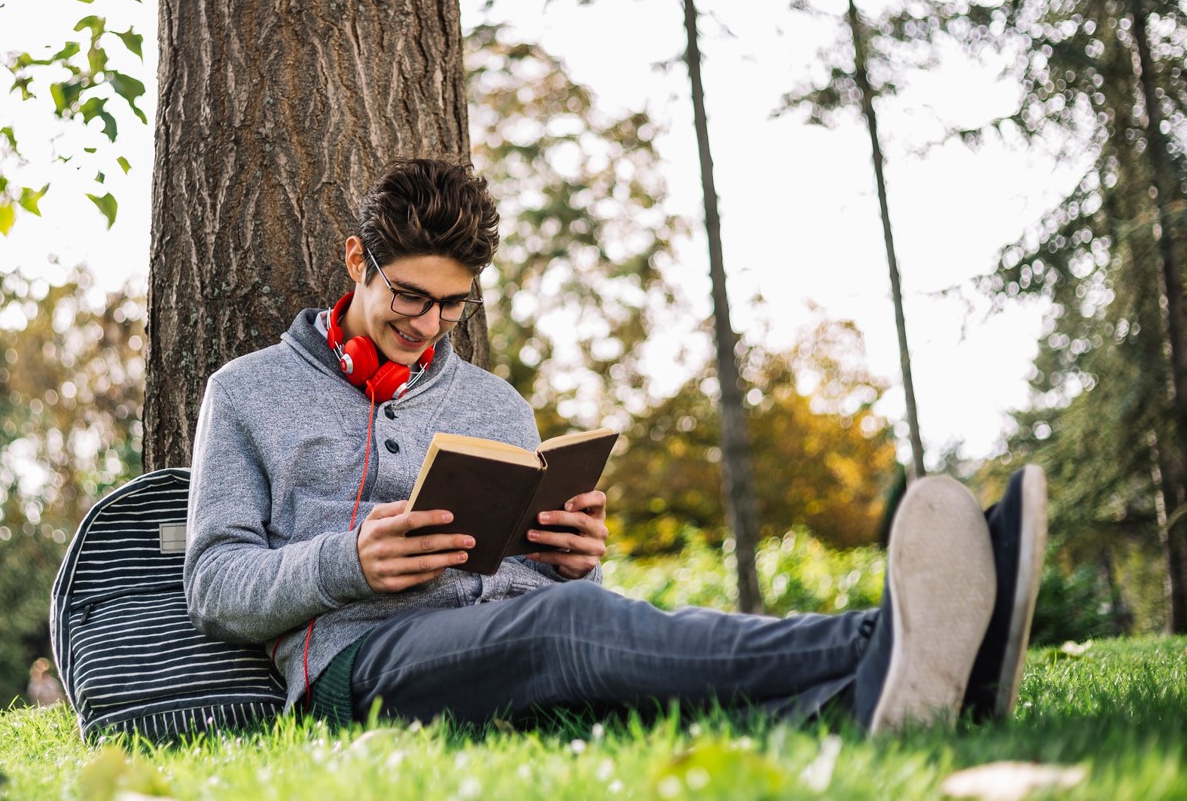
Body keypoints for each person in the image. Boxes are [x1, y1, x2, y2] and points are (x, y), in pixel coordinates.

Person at [184, 157, 1047, 733]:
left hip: (515, 627)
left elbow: (547, 581)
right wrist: (349, 563)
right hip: (359, 668)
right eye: (408, 296)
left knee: (616, 644)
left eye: (453, 306)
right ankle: (890, 634)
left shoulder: (494, 405)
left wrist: (576, 558)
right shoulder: (248, 393)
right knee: (575, 628)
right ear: (356, 260)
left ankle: (900, 695)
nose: (427, 324)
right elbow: (214, 584)